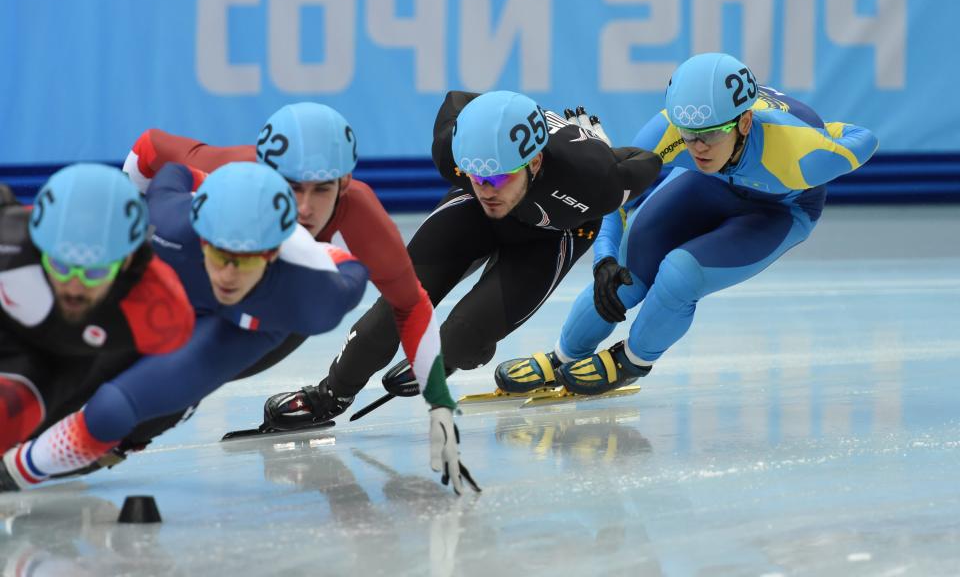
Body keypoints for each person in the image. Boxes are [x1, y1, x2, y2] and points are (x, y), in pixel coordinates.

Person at [122, 102, 476, 493]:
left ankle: (125, 433)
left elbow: (410, 305)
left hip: (275, 294)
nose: (305, 209)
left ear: (344, 183)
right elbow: (149, 147)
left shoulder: (360, 214)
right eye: (291, 188)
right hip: (215, 265)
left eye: (322, 189)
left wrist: (439, 402)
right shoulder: (231, 171)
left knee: (191, 376)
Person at [494, 52, 880, 395]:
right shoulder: (666, 131)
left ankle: (631, 360)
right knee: (624, 270)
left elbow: (865, 137)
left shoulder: (803, 155)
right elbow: (614, 197)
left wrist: (825, 133)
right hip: (710, 185)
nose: (697, 147)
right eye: (688, 135)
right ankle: (564, 355)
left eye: (710, 135)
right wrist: (604, 260)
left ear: (745, 122)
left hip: (778, 210)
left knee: (680, 274)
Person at [267, 90, 663, 420]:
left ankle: (449, 356)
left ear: (536, 161)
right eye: (477, 176)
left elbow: (647, 162)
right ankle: (328, 394)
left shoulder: (592, 178)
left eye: (499, 177)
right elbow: (457, 101)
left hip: (553, 235)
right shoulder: (454, 153)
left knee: (461, 339)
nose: (488, 188)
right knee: (391, 313)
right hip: (472, 216)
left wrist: (602, 150)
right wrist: (484, 170)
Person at [0, 161, 368, 491]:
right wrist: (211, 183)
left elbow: (354, 272)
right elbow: (168, 166)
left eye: (244, 261)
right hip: (181, 302)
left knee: (115, 409)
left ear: (272, 253)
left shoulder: (314, 299)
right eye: (219, 255)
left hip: (249, 326)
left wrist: (315, 251)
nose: (227, 275)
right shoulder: (172, 223)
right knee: (89, 368)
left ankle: (32, 466)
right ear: (202, 239)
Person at [0, 164, 194, 487]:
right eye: (60, 265)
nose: (74, 287)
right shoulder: (9, 241)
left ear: (127, 261)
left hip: (67, 361)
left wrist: (113, 440)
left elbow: (170, 390)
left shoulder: (161, 312)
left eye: (94, 272)